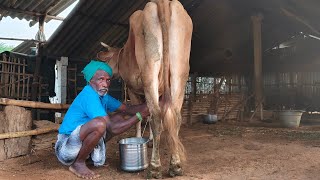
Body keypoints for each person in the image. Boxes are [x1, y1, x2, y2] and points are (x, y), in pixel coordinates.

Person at [55, 60, 150, 179]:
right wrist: (140, 116)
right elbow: (113, 129)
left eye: (108, 80)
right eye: (100, 79)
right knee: (100, 124)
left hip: (80, 141)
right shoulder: (89, 95)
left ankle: (87, 156)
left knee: (120, 116)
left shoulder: (103, 96)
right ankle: (78, 163)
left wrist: (151, 104)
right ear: (91, 81)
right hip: (66, 148)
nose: (105, 84)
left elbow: (127, 109)